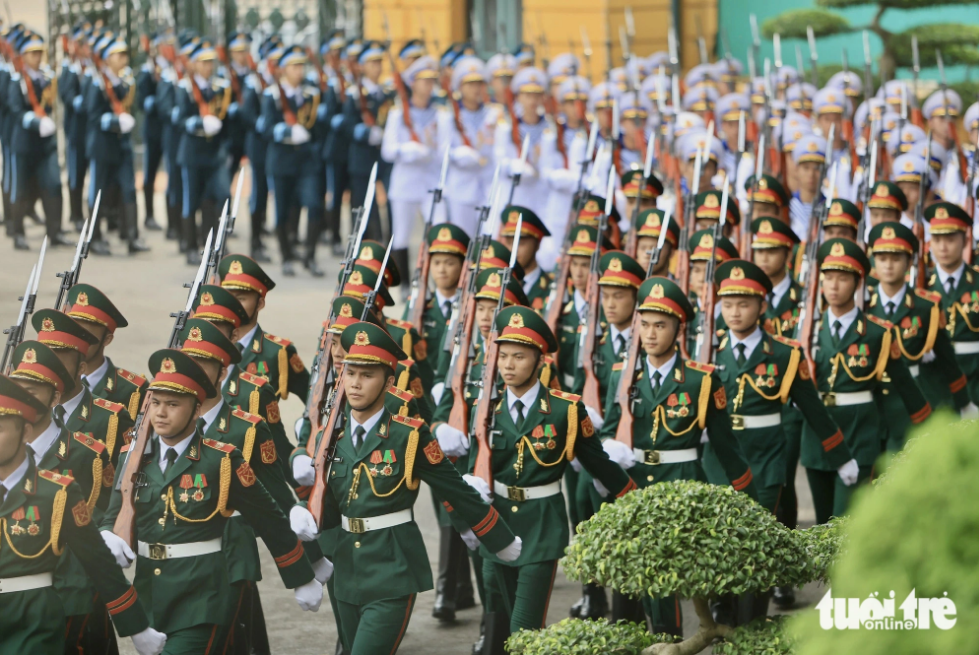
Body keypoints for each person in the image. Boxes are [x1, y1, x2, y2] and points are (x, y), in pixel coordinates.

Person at [306, 321, 521, 655]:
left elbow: (455, 489)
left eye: (367, 375)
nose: (355, 384)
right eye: (350, 374)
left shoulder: (409, 436)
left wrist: (500, 539)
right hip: (347, 570)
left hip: (393, 569)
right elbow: (329, 510)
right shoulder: (328, 437)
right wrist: (307, 544)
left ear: (389, 382)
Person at [99, 349, 323, 651]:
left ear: (195, 409)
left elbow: (270, 520)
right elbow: (116, 511)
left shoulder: (222, 461)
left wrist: (301, 576)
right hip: (151, 595)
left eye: (173, 404)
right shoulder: (134, 457)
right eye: (156, 403)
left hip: (203, 597)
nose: (161, 413)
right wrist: (107, 535)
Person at [460, 306, 635, 652]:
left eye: (519, 357)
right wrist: (468, 518)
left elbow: (599, 463)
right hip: (495, 523)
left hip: (542, 526)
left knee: (526, 627)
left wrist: (635, 498)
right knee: (500, 619)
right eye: (504, 355)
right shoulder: (485, 407)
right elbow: (468, 470)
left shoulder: (565, 410)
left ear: (541, 361)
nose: (509, 365)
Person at [597, 276, 758, 634]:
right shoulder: (623, 375)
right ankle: (653, 636)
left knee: (673, 573)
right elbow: (609, 428)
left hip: (682, 484)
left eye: (660, 325)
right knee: (639, 573)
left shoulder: (701, 381)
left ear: (678, 329)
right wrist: (610, 455)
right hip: (634, 483)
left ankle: (678, 634)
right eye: (645, 324)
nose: (650, 334)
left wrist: (750, 500)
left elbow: (726, 447)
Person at [705, 260, 851, 625]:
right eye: (728, 304)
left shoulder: (785, 355)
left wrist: (842, 456)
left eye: (744, 304)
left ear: (761, 306)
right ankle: (722, 603)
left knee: (755, 540)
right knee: (719, 536)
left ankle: (753, 617)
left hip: (764, 459)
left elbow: (814, 409)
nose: (735, 312)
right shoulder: (705, 349)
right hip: (717, 459)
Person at [176, 318, 331, 654]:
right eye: (189, 363)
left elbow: (274, 502)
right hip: (176, 560)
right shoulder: (165, 423)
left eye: (204, 364)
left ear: (222, 370)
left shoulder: (244, 430)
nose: (195, 373)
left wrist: (308, 564)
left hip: (232, 553)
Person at [0, 374, 166, 655]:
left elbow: (98, 562)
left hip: (32, 620)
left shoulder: (56, 494)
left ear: (26, 432)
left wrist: (137, 628)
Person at [801, 238, 931, 524]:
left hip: (857, 435)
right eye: (828, 278)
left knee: (846, 522)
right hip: (817, 437)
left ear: (858, 282)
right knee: (820, 523)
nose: (834, 286)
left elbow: (908, 390)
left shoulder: (877, 334)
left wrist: (932, 435)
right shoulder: (807, 331)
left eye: (843, 278)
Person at [865, 221, 974, 455]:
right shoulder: (863, 307)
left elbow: (948, 362)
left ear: (909, 262)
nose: (889, 265)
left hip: (912, 401)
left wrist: (963, 403)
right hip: (873, 404)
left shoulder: (926, 307)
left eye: (896, 258)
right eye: (882, 258)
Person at [382, 55, 447, 296]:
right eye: (424, 80)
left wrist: (431, 153)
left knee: (439, 233)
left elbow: (445, 148)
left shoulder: (441, 115)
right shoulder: (398, 113)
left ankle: (436, 284)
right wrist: (406, 150)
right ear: (412, 83)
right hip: (406, 182)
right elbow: (388, 150)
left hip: (430, 182)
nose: (429, 85)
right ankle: (404, 286)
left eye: (432, 80)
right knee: (401, 235)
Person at [261, 45, 327, 277]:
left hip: (306, 160)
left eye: (301, 66)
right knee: (282, 211)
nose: (299, 71)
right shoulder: (272, 95)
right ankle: (287, 256)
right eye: (294, 66)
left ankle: (309, 256)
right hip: (281, 160)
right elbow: (266, 128)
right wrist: (285, 132)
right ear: (283, 70)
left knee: (315, 205)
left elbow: (319, 128)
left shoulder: (312, 95)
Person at [86, 37, 149, 254]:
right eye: (118, 55)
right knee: (98, 192)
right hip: (103, 146)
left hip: (122, 146)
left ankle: (132, 236)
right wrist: (115, 121)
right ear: (107, 59)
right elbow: (92, 116)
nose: (124, 59)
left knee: (129, 189)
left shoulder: (124, 81)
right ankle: (94, 239)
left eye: (125, 55)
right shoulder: (97, 82)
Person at [217, 255, 310, 401]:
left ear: (260, 303)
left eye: (241, 299)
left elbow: (314, 399)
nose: (233, 305)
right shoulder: (209, 346)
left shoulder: (277, 352)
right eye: (228, 298)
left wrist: (302, 424)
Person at [174, 39, 233, 265]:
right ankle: (190, 245)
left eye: (211, 62)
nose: (208, 66)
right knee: (191, 200)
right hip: (192, 151)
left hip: (213, 151)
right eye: (204, 62)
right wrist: (199, 123)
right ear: (194, 64)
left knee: (216, 196)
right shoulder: (185, 87)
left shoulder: (218, 86)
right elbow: (179, 118)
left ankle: (212, 243)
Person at [7, 32, 67, 250]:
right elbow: (14, 110)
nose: (37, 57)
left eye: (39, 52)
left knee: (52, 184)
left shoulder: (45, 77)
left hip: (45, 144)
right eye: (32, 53)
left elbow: (49, 105)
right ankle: (18, 233)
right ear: (22, 56)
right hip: (23, 143)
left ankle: (55, 231)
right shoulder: (17, 79)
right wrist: (34, 121)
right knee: (20, 189)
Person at [922, 202, 979, 407]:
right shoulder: (922, 288)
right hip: (938, 383)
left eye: (950, 239)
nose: (943, 247)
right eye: (937, 240)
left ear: (964, 240)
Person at [65, 284, 149, 421]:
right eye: (74, 333)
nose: (78, 341)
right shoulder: (56, 381)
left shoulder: (133, 390)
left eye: (87, 335)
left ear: (107, 339)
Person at [440, 56, 498, 238]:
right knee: (463, 240)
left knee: (490, 239)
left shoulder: (494, 114)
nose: (475, 89)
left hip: (489, 186)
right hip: (461, 188)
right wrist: (460, 155)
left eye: (479, 84)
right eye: (470, 84)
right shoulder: (448, 116)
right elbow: (443, 151)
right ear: (459, 87)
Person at [346, 41, 393, 241]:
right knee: (363, 206)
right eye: (372, 63)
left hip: (383, 154)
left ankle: (387, 243)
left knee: (390, 201)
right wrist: (365, 133)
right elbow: (347, 125)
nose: (377, 67)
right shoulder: (354, 93)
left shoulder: (386, 92)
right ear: (362, 66)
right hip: (362, 156)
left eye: (379, 62)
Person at [494, 67, 551, 218]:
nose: (532, 100)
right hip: (516, 192)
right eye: (527, 95)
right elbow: (499, 160)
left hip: (541, 195)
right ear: (518, 97)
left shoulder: (550, 128)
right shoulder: (507, 126)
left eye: (536, 95)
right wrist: (512, 165)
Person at [135, 33, 167, 236]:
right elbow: (140, 102)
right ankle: (149, 215)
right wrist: (150, 100)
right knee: (150, 173)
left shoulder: (169, 70)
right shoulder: (147, 72)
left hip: (169, 128)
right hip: (154, 129)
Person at [498, 207, 553, 313]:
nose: (513, 250)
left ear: (537, 245)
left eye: (521, 244)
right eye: (509, 243)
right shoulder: (498, 284)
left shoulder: (551, 289)